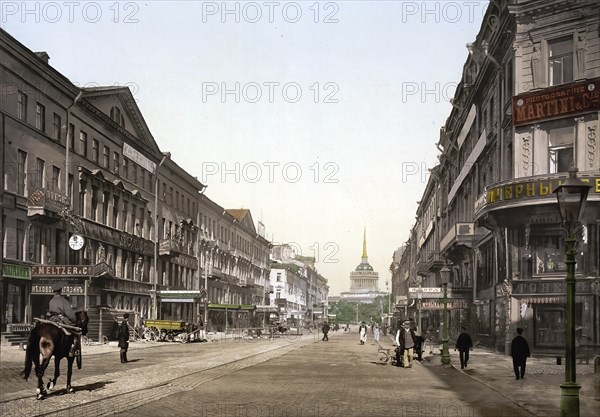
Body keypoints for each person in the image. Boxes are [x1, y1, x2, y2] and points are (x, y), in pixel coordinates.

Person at [48, 284, 81, 358]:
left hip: (52, 319)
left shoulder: (51, 301)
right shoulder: (64, 301)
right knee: (74, 331)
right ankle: (71, 349)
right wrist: (75, 321)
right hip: (61, 318)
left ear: (53, 292)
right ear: (61, 291)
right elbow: (70, 314)